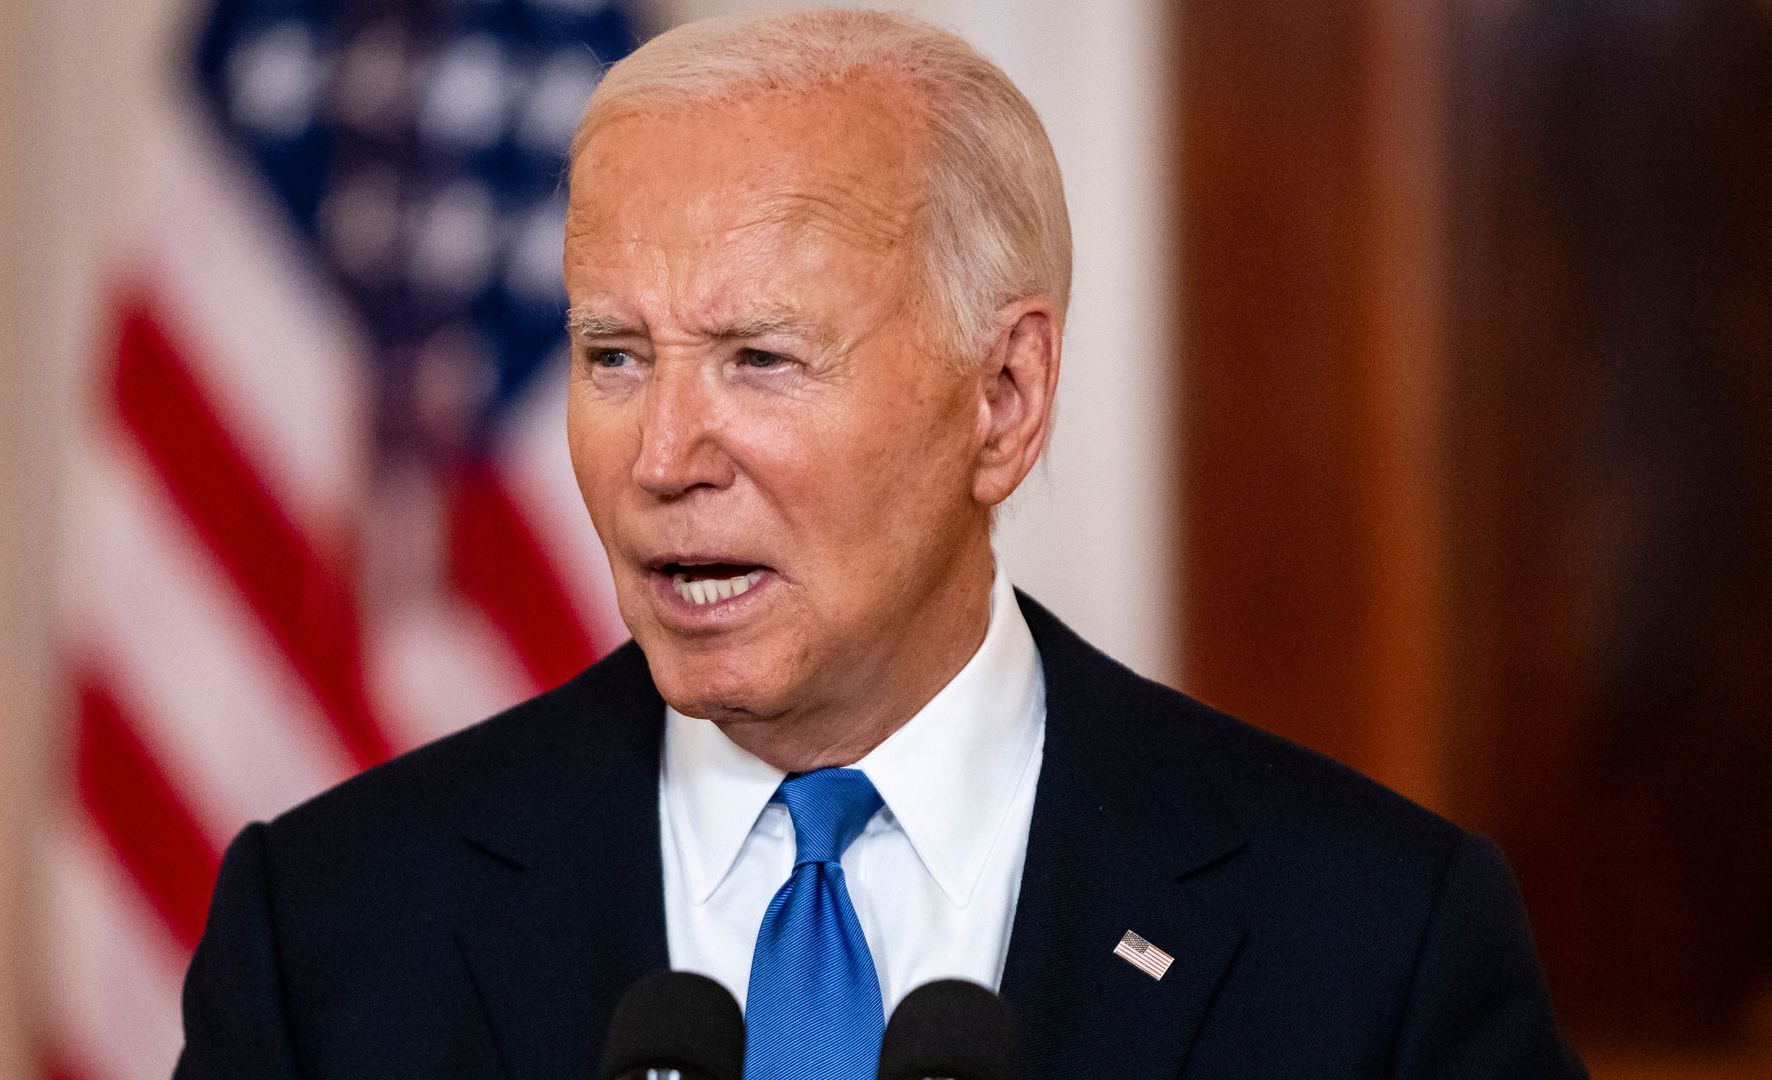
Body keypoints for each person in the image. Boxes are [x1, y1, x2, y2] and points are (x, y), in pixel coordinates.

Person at [174, 10, 1585, 1079]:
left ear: (1004, 398)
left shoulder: (1375, 945)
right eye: (614, 355)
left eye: (761, 358)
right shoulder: (329, 937)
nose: (661, 459)